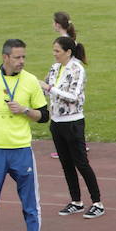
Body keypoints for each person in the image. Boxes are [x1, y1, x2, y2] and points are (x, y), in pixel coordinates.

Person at [0, 39, 49, 231]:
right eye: (17, 57)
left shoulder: (29, 81)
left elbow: (44, 116)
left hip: (21, 151)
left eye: (24, 57)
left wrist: (25, 110)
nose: (22, 61)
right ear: (5, 57)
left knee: (30, 206)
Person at [41, 36, 104, 218]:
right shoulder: (55, 68)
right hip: (57, 122)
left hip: (73, 122)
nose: (54, 54)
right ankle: (76, 201)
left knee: (81, 164)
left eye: (57, 51)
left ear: (68, 52)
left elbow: (73, 96)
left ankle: (97, 202)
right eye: (53, 51)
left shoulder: (77, 69)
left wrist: (49, 88)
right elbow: (44, 87)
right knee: (66, 164)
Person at [50, 11, 76, 160]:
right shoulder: (69, 38)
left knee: (67, 108)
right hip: (65, 76)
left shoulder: (64, 40)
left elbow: (70, 62)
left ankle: (67, 146)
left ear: (57, 24)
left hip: (67, 78)